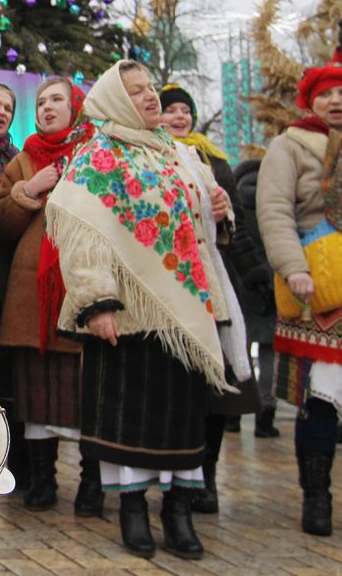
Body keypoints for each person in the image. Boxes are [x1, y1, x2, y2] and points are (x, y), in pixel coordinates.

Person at [47, 61, 231, 560]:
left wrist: (222, 211)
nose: (150, 97)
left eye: (150, 88)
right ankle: (132, 508)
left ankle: (178, 509)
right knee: (129, 416)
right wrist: (96, 303)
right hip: (128, 316)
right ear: (113, 100)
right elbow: (82, 239)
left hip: (187, 311)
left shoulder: (182, 155)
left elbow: (204, 217)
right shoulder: (98, 157)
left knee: (183, 415)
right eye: (136, 91)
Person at [256, 19, 342, 538]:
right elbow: (274, 209)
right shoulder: (291, 146)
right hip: (316, 283)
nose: (338, 101)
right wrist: (293, 267)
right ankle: (316, 501)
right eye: (329, 94)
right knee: (321, 397)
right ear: (312, 101)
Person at [0, 78, 101, 515]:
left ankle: (92, 483)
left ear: (76, 106)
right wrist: (29, 190)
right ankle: (42, 479)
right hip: (32, 298)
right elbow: (1, 224)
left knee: (87, 390)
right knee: (37, 390)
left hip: (82, 288)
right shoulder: (22, 160)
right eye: (40, 102)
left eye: (57, 99)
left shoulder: (97, 155)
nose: (47, 107)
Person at [159, 84, 264, 513]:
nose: (179, 117)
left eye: (185, 111)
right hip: (169, 281)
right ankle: (171, 478)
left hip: (216, 281)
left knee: (217, 388)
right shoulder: (151, 156)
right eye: (171, 111)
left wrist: (254, 270)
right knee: (175, 385)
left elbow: (233, 220)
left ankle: (208, 477)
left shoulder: (214, 160)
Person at [233, 157, 281, 438]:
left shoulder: (234, 201)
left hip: (241, 280)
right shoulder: (273, 202)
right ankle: (266, 413)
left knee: (240, 347)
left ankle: (235, 413)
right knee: (268, 349)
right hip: (270, 280)